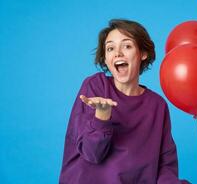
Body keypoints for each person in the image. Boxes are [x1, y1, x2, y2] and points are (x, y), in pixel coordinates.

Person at [59, 19, 190, 184]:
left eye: (127, 46)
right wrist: (102, 116)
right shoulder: (95, 86)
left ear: (143, 53)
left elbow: (165, 165)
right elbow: (92, 154)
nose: (118, 53)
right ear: (106, 59)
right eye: (110, 48)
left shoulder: (157, 105)